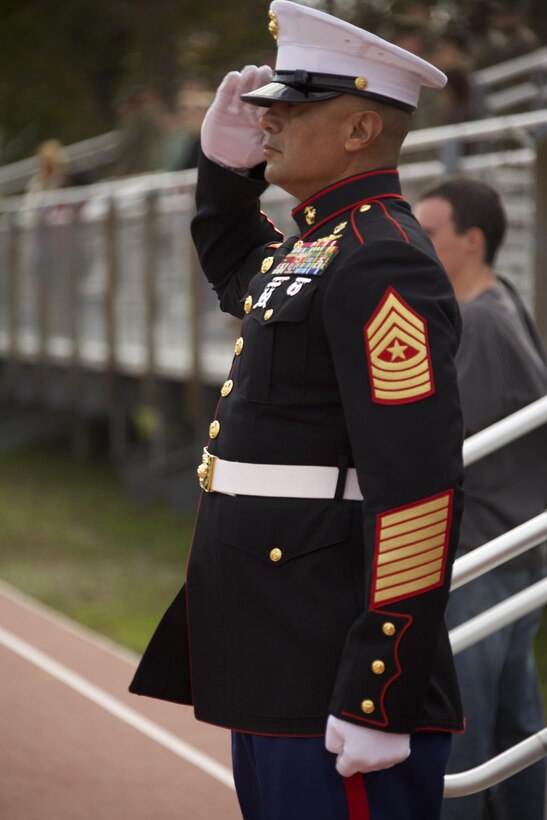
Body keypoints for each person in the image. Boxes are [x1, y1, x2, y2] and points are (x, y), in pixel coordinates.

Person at [130, 3, 466, 818]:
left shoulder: (380, 257)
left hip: (327, 658)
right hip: (273, 642)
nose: (267, 119)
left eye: (291, 106)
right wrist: (222, 170)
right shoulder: (324, 243)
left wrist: (378, 689)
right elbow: (240, 272)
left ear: (358, 130)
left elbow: (416, 490)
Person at [415, 177, 547, 820]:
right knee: (513, 726)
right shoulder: (497, 308)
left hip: (486, 554)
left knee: (463, 736)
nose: (416, 243)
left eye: (430, 233)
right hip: (508, 549)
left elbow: (435, 442)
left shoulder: (483, 322)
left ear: (472, 241)